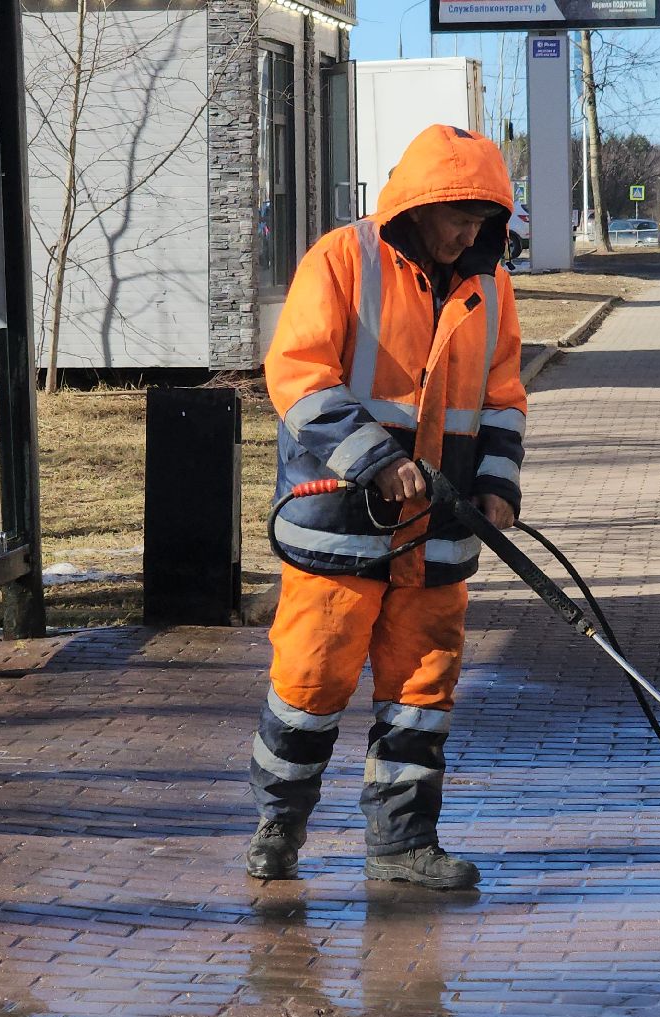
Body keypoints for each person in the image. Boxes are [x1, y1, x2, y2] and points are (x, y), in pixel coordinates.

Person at [245, 125, 527, 889]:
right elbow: (298, 373)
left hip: (437, 536)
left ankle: (403, 845)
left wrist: (498, 488)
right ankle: (278, 827)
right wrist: (377, 461)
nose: (469, 234)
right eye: (457, 218)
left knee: (421, 693)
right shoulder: (342, 260)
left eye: (481, 221)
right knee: (310, 683)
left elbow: (502, 400)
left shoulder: (489, 286)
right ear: (419, 206)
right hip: (341, 524)